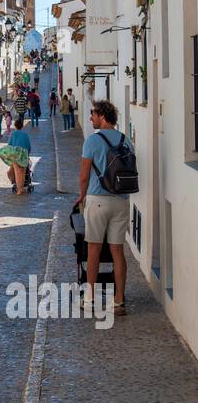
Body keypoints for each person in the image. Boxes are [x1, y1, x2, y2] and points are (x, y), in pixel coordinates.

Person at [76, 100, 132, 317]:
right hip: (121, 199)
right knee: (118, 251)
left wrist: (81, 196)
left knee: (94, 250)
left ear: (102, 115)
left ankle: (89, 298)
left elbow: (84, 175)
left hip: (97, 199)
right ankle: (119, 301)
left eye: (93, 114)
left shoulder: (92, 141)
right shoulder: (125, 140)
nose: (90, 118)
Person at [0, 114, 32, 194]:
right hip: (23, 155)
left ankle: (18, 187)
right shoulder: (25, 134)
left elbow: (9, 145)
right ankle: (20, 188)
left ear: (15, 126)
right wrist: (27, 155)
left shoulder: (13, 134)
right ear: (22, 126)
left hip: (16, 155)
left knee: (15, 172)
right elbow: (28, 146)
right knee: (22, 172)